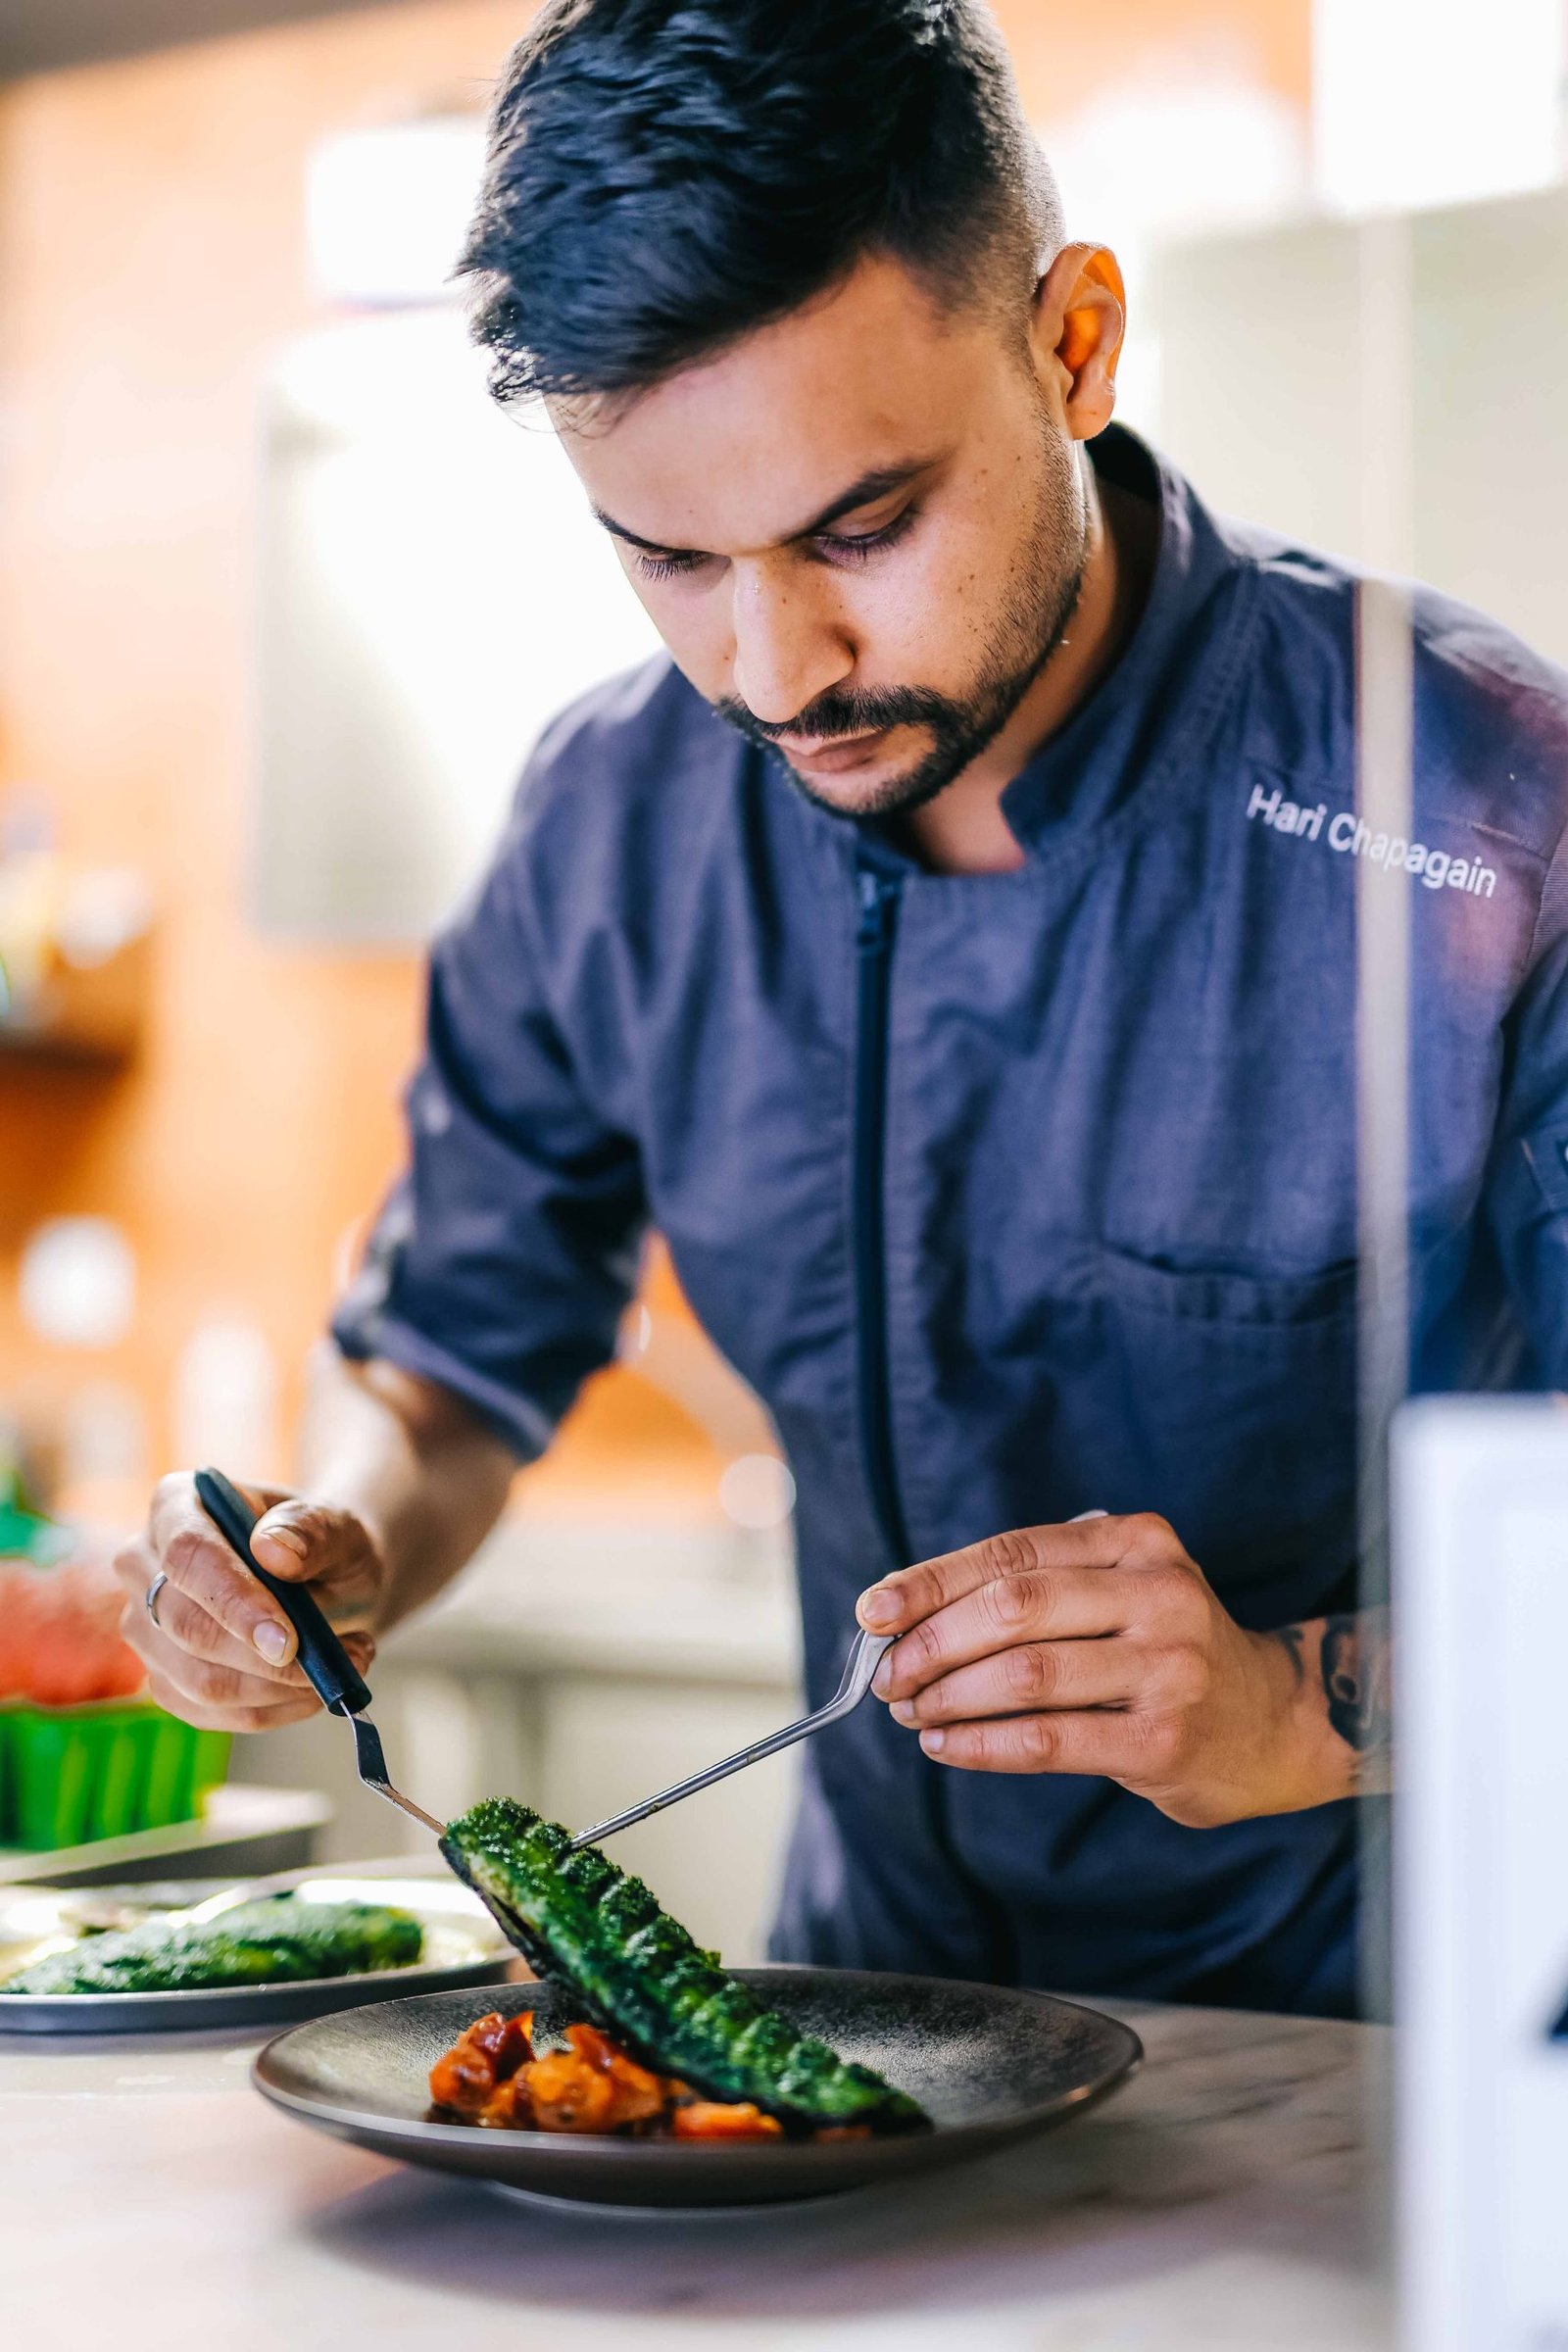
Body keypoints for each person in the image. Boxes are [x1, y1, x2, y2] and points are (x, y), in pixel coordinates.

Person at [117, 0, 1568, 2018]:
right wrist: (333, 1541)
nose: (774, 665)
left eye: (859, 529)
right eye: (668, 558)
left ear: (1070, 342)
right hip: (867, 2037)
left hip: (1386, 2062)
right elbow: (445, 1364)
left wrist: (1294, 1706)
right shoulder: (610, 820)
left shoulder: (1489, 808)